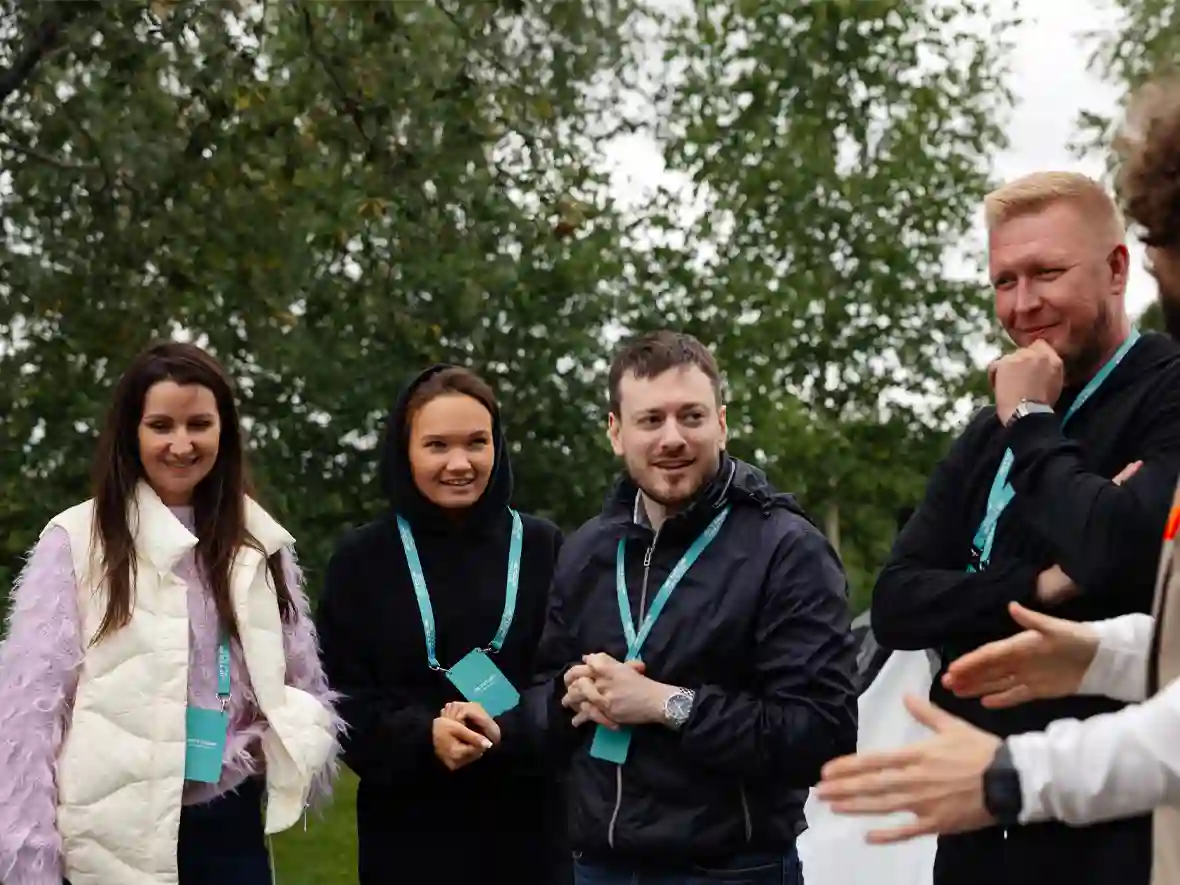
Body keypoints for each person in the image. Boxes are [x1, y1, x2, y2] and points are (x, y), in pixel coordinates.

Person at [813, 77, 1180, 885]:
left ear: (1119, 269)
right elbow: (900, 600)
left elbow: (1116, 552)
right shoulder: (992, 426)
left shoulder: (1162, 387)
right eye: (1003, 281)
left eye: (1045, 273)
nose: (1022, 304)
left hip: (1111, 825)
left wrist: (1034, 424)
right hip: (975, 826)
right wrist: (1042, 583)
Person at [496, 330, 858, 885]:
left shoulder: (787, 549)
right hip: (599, 868)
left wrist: (667, 704)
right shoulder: (588, 548)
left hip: (730, 871)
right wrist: (569, 696)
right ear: (616, 432)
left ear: (721, 424)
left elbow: (822, 734)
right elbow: (544, 694)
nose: (673, 438)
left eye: (691, 417)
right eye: (650, 420)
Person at [0, 341, 340, 885]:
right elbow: (30, 710)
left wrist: (279, 743)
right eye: (161, 425)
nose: (181, 444)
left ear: (223, 431)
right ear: (132, 432)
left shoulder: (258, 541)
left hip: (228, 826)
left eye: (198, 424)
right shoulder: (77, 540)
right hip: (111, 836)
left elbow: (300, 678)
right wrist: (29, 851)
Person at [314, 365, 569, 885]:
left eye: (476, 442)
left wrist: (508, 730)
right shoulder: (362, 560)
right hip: (407, 835)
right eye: (437, 445)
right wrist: (422, 737)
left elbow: (567, 678)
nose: (459, 463)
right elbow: (340, 697)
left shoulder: (545, 547)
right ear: (405, 452)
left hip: (529, 832)